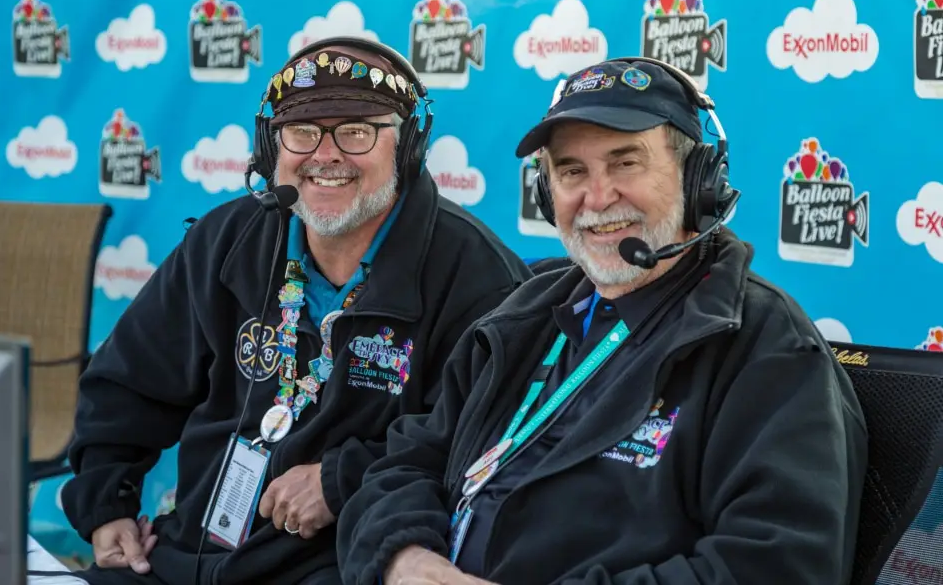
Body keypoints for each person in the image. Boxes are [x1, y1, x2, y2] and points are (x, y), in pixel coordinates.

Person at [335, 57, 868, 585]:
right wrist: (403, 559)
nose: (598, 196)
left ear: (697, 179)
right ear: (547, 193)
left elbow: (779, 565)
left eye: (625, 163)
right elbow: (405, 463)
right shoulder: (524, 314)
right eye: (572, 172)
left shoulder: (764, 345)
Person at [60, 37, 532, 585]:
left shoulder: (478, 276)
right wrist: (107, 503)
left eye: (356, 132)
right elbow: (129, 384)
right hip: (186, 556)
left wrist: (342, 479)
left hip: (341, 566)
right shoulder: (226, 240)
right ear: (270, 149)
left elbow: (482, 451)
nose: (325, 155)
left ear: (406, 149)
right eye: (302, 132)